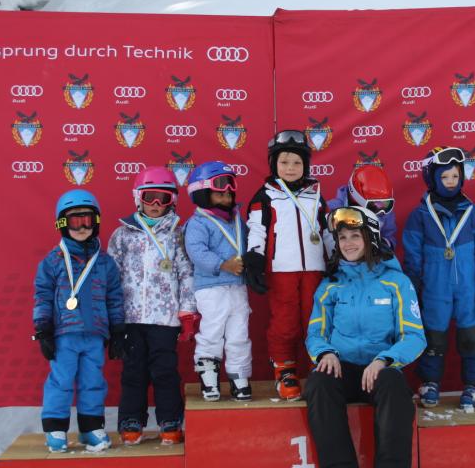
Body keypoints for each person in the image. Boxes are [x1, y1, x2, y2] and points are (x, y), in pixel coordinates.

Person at [304, 206, 426, 468]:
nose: (347, 243)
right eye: (342, 237)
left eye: (355, 236)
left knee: (394, 383)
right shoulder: (331, 284)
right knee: (318, 382)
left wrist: (385, 359)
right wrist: (326, 352)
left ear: (370, 238)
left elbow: (414, 336)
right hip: (343, 367)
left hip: (379, 368)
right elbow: (315, 333)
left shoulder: (396, 282)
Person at [401, 146, 475, 412]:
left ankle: (474, 385)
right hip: (435, 288)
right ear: (432, 179)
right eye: (444, 177)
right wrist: (414, 283)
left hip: (468, 288)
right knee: (433, 337)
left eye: (456, 176)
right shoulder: (420, 216)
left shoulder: (473, 213)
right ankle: (430, 382)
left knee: (471, 336)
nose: (451, 182)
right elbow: (412, 252)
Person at [107, 167, 195, 445]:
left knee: (165, 371)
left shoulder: (177, 235)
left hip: (164, 319)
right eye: (149, 197)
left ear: (173, 201)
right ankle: (131, 419)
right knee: (133, 371)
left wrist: (187, 311)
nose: (156, 204)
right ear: (138, 198)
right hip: (131, 318)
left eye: (163, 198)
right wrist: (113, 317)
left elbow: (186, 274)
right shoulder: (122, 235)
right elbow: (111, 277)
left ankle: (170, 420)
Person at [33, 189, 125, 452]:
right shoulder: (53, 261)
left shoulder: (105, 263)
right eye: (75, 221)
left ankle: (91, 428)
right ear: (62, 224)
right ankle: (55, 428)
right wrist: (43, 329)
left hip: (95, 334)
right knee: (61, 381)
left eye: (87, 220)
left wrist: (118, 330)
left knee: (93, 382)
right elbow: (42, 296)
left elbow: (115, 298)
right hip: (65, 334)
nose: (82, 227)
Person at [244, 129, 329, 400]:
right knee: (285, 322)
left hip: (314, 270)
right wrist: (255, 259)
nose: (290, 168)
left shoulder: (315, 195)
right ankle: (285, 370)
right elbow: (257, 230)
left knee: (315, 319)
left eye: (296, 162)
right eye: (284, 162)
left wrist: (335, 257)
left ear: (306, 165)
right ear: (273, 164)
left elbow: (326, 230)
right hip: (281, 270)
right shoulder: (265, 196)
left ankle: (320, 367)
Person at [184, 160, 253, 401]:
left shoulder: (236, 220)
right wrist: (223, 264)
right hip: (211, 287)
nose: (226, 195)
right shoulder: (198, 223)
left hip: (238, 286)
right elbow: (196, 251)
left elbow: (248, 243)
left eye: (229, 191)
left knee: (239, 333)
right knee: (212, 332)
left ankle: (239, 377)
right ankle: (209, 379)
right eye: (219, 191)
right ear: (202, 193)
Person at [327, 164, 398, 248]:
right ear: (357, 197)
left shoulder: (384, 212)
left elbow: (389, 237)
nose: (380, 209)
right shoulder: (332, 210)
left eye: (385, 203)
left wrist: (383, 244)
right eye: (375, 204)